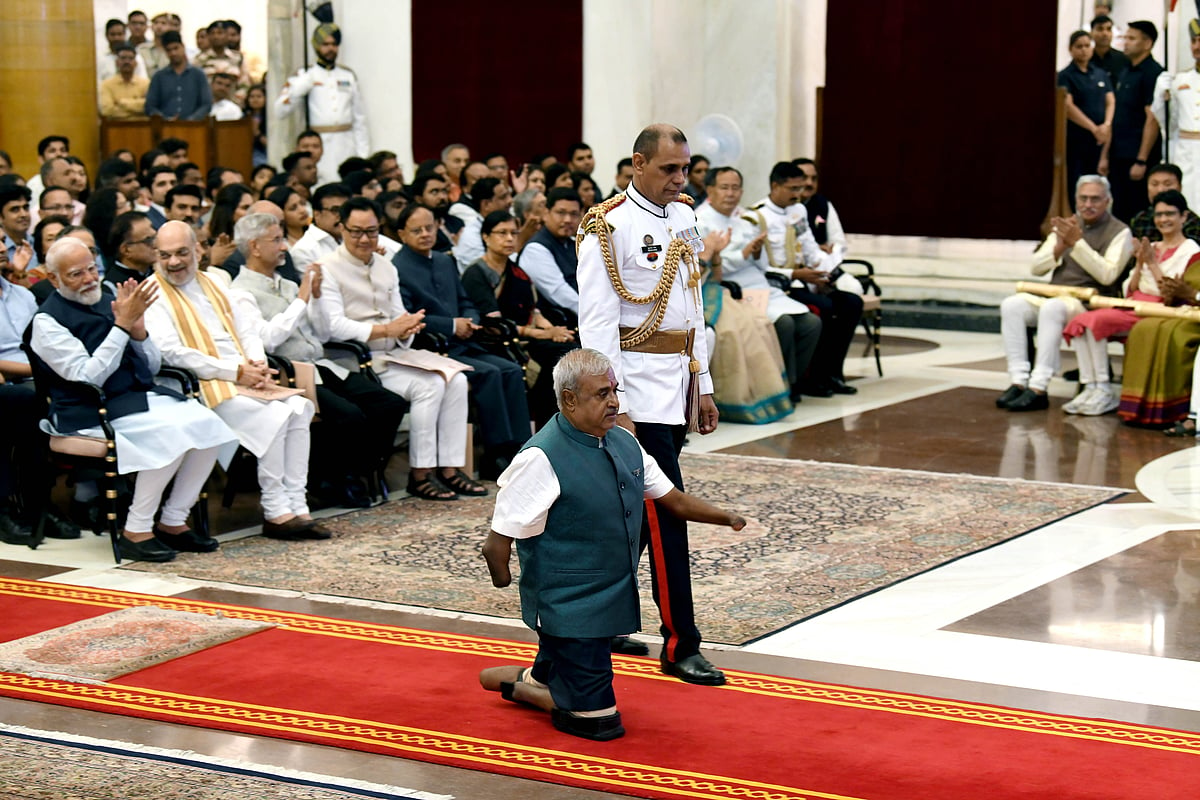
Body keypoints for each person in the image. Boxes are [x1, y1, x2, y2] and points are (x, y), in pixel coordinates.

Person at [479, 349, 746, 741]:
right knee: (600, 723)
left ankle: (538, 677)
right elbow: (495, 544)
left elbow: (672, 499)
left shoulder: (622, 441)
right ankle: (530, 689)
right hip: (566, 606)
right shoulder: (540, 457)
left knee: (580, 678)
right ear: (570, 400)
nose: (615, 402)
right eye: (602, 394)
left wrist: (726, 517)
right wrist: (515, 589)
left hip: (606, 599)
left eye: (615, 391)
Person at [577, 123, 727, 684]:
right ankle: (680, 643)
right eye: (668, 169)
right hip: (635, 389)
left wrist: (703, 381)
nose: (679, 179)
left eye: (684, 169)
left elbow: (692, 308)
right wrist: (613, 404)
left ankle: (594, 619)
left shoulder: (685, 217)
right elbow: (596, 323)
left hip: (676, 379)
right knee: (668, 515)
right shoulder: (606, 225)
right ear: (636, 164)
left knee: (632, 519)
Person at [31, 237, 238, 561]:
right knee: (169, 434)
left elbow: (152, 366)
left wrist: (139, 332)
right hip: (86, 411)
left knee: (210, 424)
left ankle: (172, 521)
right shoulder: (47, 322)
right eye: (76, 274)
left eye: (91, 269)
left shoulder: (110, 296)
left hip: (133, 398)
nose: (88, 279)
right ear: (54, 279)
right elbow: (88, 377)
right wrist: (122, 325)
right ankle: (136, 530)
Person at [142, 221, 325, 540]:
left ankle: (298, 504)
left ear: (197, 250)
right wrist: (235, 371)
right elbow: (172, 353)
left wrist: (256, 363)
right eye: (166, 255)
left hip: (242, 375)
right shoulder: (154, 292)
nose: (174, 262)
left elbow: (246, 331)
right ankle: (276, 510)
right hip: (197, 384)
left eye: (182, 253)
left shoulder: (214, 282)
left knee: (301, 407)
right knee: (279, 415)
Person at [229, 213, 406, 506]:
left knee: (389, 404)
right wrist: (302, 298)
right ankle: (331, 480)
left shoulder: (285, 284)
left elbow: (319, 332)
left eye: (283, 238)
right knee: (349, 415)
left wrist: (318, 296)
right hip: (288, 374)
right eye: (276, 240)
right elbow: (267, 339)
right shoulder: (240, 292)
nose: (284, 246)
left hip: (320, 364)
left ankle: (359, 472)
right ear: (255, 247)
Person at [311, 197, 479, 500]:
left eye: (372, 232)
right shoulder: (327, 269)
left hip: (395, 353)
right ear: (342, 229)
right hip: (356, 360)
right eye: (356, 232)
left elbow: (399, 314)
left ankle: (451, 469)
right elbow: (332, 327)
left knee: (456, 380)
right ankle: (420, 474)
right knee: (430, 387)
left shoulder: (387, 267)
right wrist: (387, 330)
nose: (365, 239)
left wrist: (407, 328)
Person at [393, 204, 532, 477]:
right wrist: (451, 326)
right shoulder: (398, 267)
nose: (425, 234)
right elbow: (407, 317)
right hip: (431, 346)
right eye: (416, 230)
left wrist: (468, 320)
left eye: (429, 227)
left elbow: (465, 300)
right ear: (401, 234)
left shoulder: (445, 260)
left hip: (464, 340)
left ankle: (522, 449)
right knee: (489, 373)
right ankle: (496, 455)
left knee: (512, 369)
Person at [997, 175, 1131, 411]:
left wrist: (1076, 244)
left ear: (1108, 200)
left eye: (1095, 199)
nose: (1088, 204)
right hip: (1056, 296)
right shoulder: (1068, 226)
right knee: (1012, 305)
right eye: (1083, 198)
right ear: (1076, 200)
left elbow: (1108, 275)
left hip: (1089, 304)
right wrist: (1059, 247)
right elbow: (1036, 267)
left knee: (1053, 308)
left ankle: (1039, 387)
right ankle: (1018, 381)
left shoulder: (1120, 232)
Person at [1064, 190, 1200, 416]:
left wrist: (1153, 264)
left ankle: (1103, 390)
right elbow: (1131, 289)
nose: (1163, 220)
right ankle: (1092, 386)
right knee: (1082, 322)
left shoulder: (1191, 250)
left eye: (1170, 214)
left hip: (1160, 309)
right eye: (1159, 215)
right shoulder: (1153, 246)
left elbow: (1171, 292)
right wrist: (1139, 264)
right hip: (1134, 304)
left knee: (1093, 322)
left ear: (1183, 217)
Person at [695, 166, 805, 417]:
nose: (731, 194)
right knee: (759, 327)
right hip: (727, 289)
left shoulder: (745, 218)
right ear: (710, 190)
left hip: (756, 284)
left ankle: (789, 386)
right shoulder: (698, 221)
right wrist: (736, 254)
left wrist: (754, 252)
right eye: (725, 187)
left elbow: (763, 264)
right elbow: (702, 269)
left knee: (796, 322)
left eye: (735, 188)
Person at [747, 161, 861, 397]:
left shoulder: (798, 211)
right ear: (775, 186)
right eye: (792, 189)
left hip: (806, 279)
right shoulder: (757, 215)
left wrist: (823, 268)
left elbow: (809, 246)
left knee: (851, 303)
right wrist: (798, 275)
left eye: (800, 189)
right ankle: (810, 377)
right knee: (825, 308)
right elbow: (762, 267)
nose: (798, 194)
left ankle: (832, 373)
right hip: (779, 285)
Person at [462, 210, 578, 427]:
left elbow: (534, 311)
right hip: (498, 341)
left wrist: (553, 330)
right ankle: (543, 425)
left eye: (514, 233)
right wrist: (544, 333)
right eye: (502, 233)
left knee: (569, 347)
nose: (509, 239)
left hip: (527, 335)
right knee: (555, 358)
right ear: (485, 237)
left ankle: (561, 424)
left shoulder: (517, 270)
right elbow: (495, 325)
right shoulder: (477, 273)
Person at [275, 24, 369, 187]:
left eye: (334, 44)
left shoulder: (347, 75)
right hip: (317, 145)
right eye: (325, 44)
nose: (330, 49)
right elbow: (280, 110)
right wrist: (299, 88)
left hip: (346, 143)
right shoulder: (304, 75)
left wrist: (362, 153)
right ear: (316, 46)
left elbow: (359, 118)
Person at [1106, 20, 1163, 223]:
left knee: (1135, 211)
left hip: (1137, 158)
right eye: (1125, 38)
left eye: (1131, 38)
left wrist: (1142, 160)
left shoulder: (1153, 73)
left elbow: (1152, 119)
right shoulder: (1126, 70)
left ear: (1147, 43)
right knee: (1119, 209)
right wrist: (1105, 155)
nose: (1126, 43)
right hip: (1119, 154)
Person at [1062, 29, 1116, 201]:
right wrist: (1094, 128)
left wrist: (1106, 125)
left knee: (1098, 185)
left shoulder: (1099, 73)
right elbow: (1068, 107)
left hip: (1100, 140)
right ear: (1071, 49)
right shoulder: (1065, 76)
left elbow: (1110, 100)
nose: (1084, 50)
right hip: (1077, 140)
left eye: (1087, 46)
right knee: (1077, 183)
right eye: (1079, 46)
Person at [518, 187, 582, 327]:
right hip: (556, 324)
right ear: (546, 213)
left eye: (574, 214)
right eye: (561, 213)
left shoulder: (574, 244)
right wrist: (593, 314)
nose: (568, 220)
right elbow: (558, 292)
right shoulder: (535, 249)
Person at [1152, 21, 1200, 209]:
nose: (1197, 47)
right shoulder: (1180, 80)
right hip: (1185, 153)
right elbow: (1167, 123)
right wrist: (1159, 96)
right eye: (1194, 41)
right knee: (1186, 202)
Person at [144, 31, 212, 120]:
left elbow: (206, 104)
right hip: (165, 128)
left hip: (195, 128)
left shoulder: (198, 74)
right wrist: (165, 119)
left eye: (176, 48)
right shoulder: (159, 77)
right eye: (169, 50)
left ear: (183, 47)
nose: (173, 53)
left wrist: (191, 120)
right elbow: (150, 107)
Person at [452, 178, 512, 272]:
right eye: (503, 197)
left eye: (509, 195)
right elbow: (488, 272)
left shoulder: (511, 225)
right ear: (486, 204)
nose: (510, 201)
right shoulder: (471, 236)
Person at [794, 158, 849, 255]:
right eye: (804, 177)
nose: (809, 183)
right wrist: (814, 249)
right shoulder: (782, 206)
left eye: (814, 178)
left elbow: (838, 242)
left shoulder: (823, 204)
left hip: (821, 263)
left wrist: (831, 252)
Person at [100, 45, 150, 119]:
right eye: (123, 58)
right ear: (117, 62)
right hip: (115, 128)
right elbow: (107, 110)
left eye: (130, 58)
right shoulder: (106, 85)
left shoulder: (146, 84)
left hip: (141, 127)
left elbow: (149, 107)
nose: (127, 61)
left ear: (136, 63)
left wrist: (123, 103)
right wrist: (136, 110)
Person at [96, 18, 149, 89]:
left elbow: (143, 82)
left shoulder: (136, 57)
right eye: (113, 34)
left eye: (120, 34)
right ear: (106, 35)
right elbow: (97, 84)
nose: (116, 38)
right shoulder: (100, 59)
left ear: (125, 35)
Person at [1090, 15, 1131, 99]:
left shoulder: (1123, 59)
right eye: (1100, 29)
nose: (1105, 34)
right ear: (1091, 33)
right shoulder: (1086, 59)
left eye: (1109, 29)